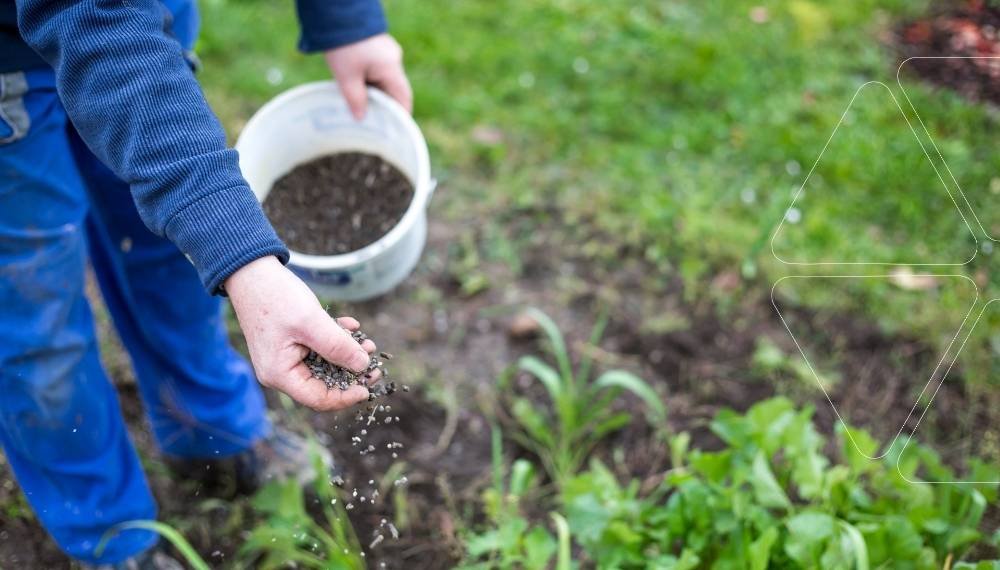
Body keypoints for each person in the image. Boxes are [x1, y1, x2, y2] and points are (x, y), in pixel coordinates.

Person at [0, 0, 412, 567]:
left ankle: (209, 429)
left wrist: (346, 21)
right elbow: (96, 23)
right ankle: (107, 532)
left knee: (171, 247)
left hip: (146, 21)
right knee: (35, 310)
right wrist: (245, 260)